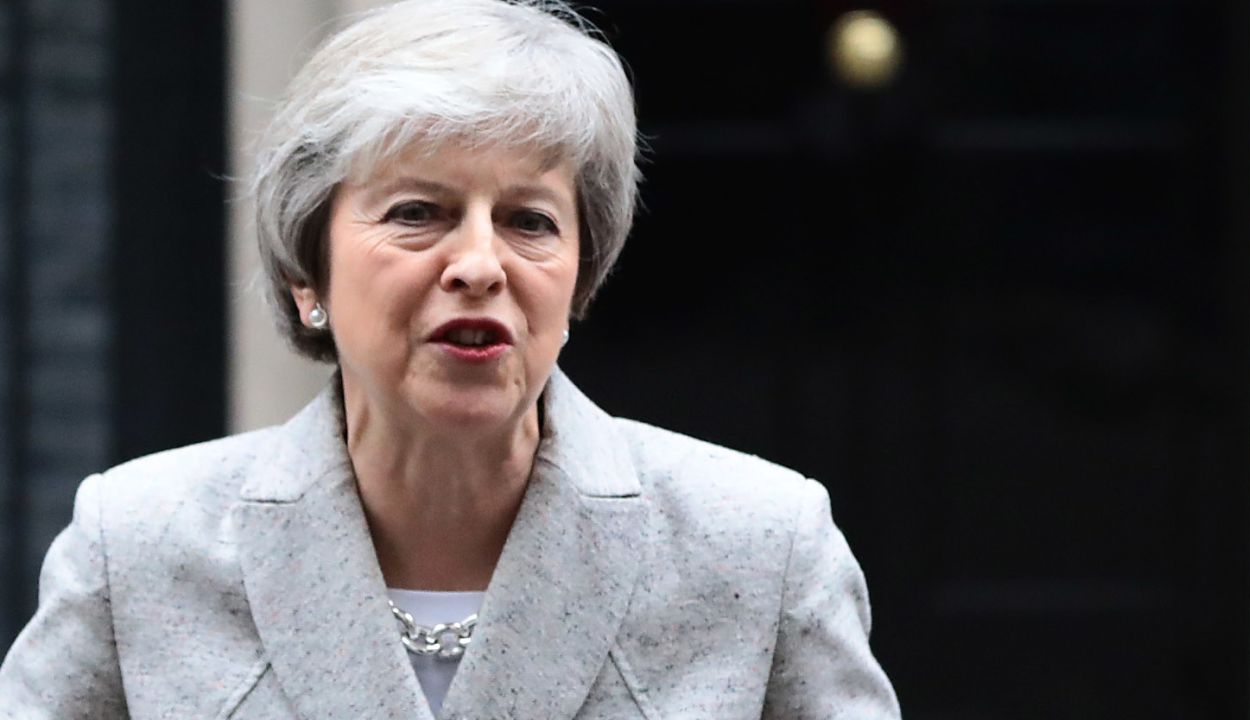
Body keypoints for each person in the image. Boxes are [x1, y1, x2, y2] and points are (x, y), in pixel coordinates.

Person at [0, 1, 900, 717]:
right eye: (416, 213)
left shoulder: (761, 547)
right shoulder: (138, 547)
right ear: (306, 270)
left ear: (579, 277)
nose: (478, 264)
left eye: (528, 221)